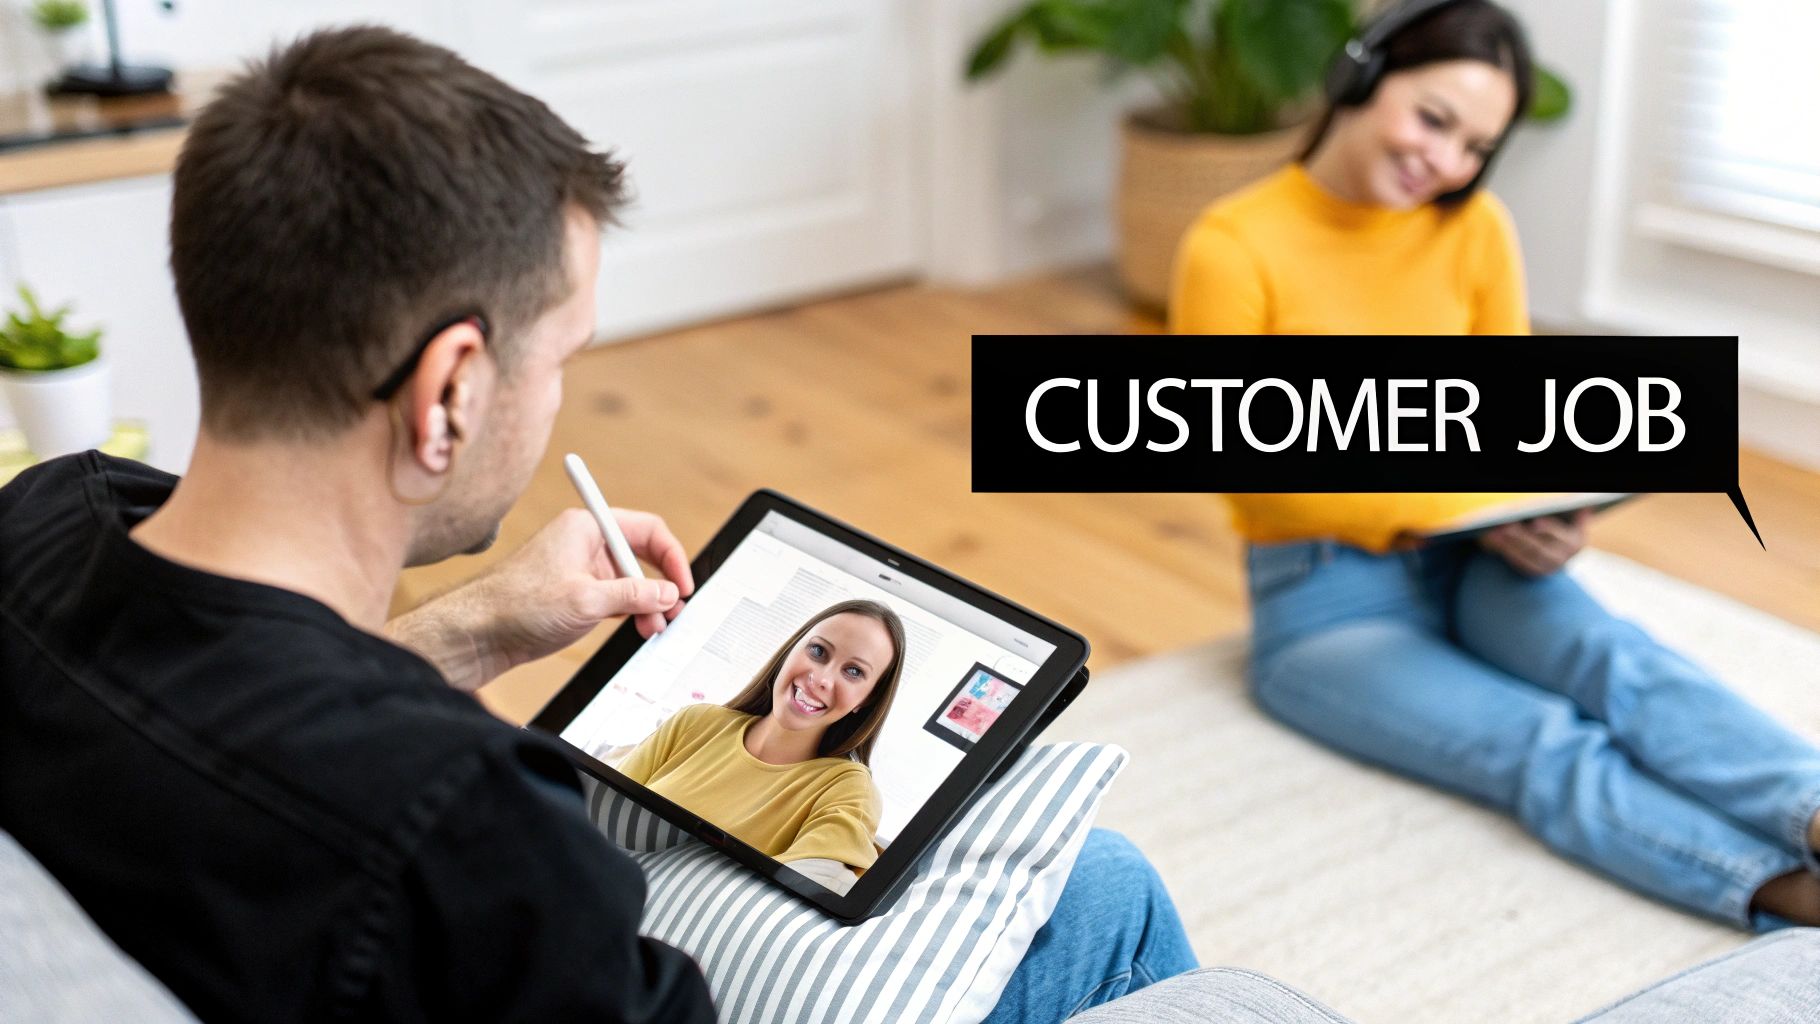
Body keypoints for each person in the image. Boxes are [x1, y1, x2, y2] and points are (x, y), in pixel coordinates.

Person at [0, 24, 1196, 1024]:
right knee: (1104, 895)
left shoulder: (46, 518)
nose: (559, 395)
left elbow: (232, 712)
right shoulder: (468, 821)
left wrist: (470, 627)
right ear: (449, 390)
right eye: (562, 355)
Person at [1170, 0, 1820, 929]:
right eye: (1433, 119)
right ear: (1361, 76)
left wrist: (1550, 514)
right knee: (1538, 744)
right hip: (1323, 600)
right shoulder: (1232, 245)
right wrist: (1440, 494)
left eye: (1475, 146)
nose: (1445, 162)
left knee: (1618, 662)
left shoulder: (1475, 229)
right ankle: (1782, 893)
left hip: (1479, 558)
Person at [618, 600, 906, 892]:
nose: (821, 679)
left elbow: (789, 898)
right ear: (791, 649)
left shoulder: (849, 790)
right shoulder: (696, 722)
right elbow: (603, 809)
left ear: (867, 699)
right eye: (818, 651)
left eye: (854, 671)